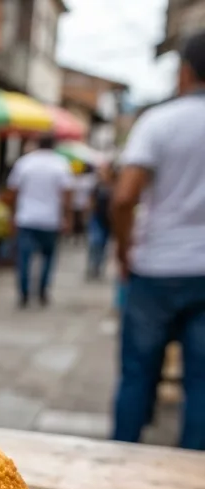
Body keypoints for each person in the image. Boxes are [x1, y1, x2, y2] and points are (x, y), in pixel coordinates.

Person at [111, 29, 205, 450]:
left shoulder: (160, 122)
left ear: (184, 71)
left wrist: (123, 250)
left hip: (156, 268)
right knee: (201, 384)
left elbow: (125, 196)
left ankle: (122, 459)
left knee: (137, 373)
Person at [5, 136, 74, 308]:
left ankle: (24, 293)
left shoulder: (25, 163)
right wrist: (67, 218)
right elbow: (67, 195)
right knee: (48, 258)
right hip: (50, 219)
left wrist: (12, 215)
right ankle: (42, 290)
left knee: (24, 259)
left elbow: (12, 191)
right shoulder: (61, 164)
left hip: (26, 218)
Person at [87, 163, 114, 281]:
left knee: (103, 245)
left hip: (108, 220)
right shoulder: (97, 186)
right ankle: (93, 266)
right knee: (95, 243)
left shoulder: (113, 187)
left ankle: (98, 267)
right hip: (97, 218)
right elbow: (91, 201)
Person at [71, 168, 96, 242]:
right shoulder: (73, 180)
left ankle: (81, 235)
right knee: (77, 221)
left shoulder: (87, 180)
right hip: (76, 204)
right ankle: (77, 236)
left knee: (82, 221)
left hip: (83, 204)